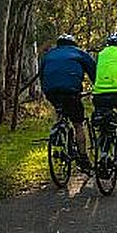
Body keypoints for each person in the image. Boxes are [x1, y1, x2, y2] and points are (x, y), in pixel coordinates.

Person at [40, 34, 96, 171]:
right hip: (71, 92)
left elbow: (42, 74)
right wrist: (97, 88)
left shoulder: (48, 55)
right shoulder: (79, 53)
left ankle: (58, 131)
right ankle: (83, 158)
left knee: (60, 110)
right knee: (78, 124)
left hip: (51, 92)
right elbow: (94, 73)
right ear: (73, 43)